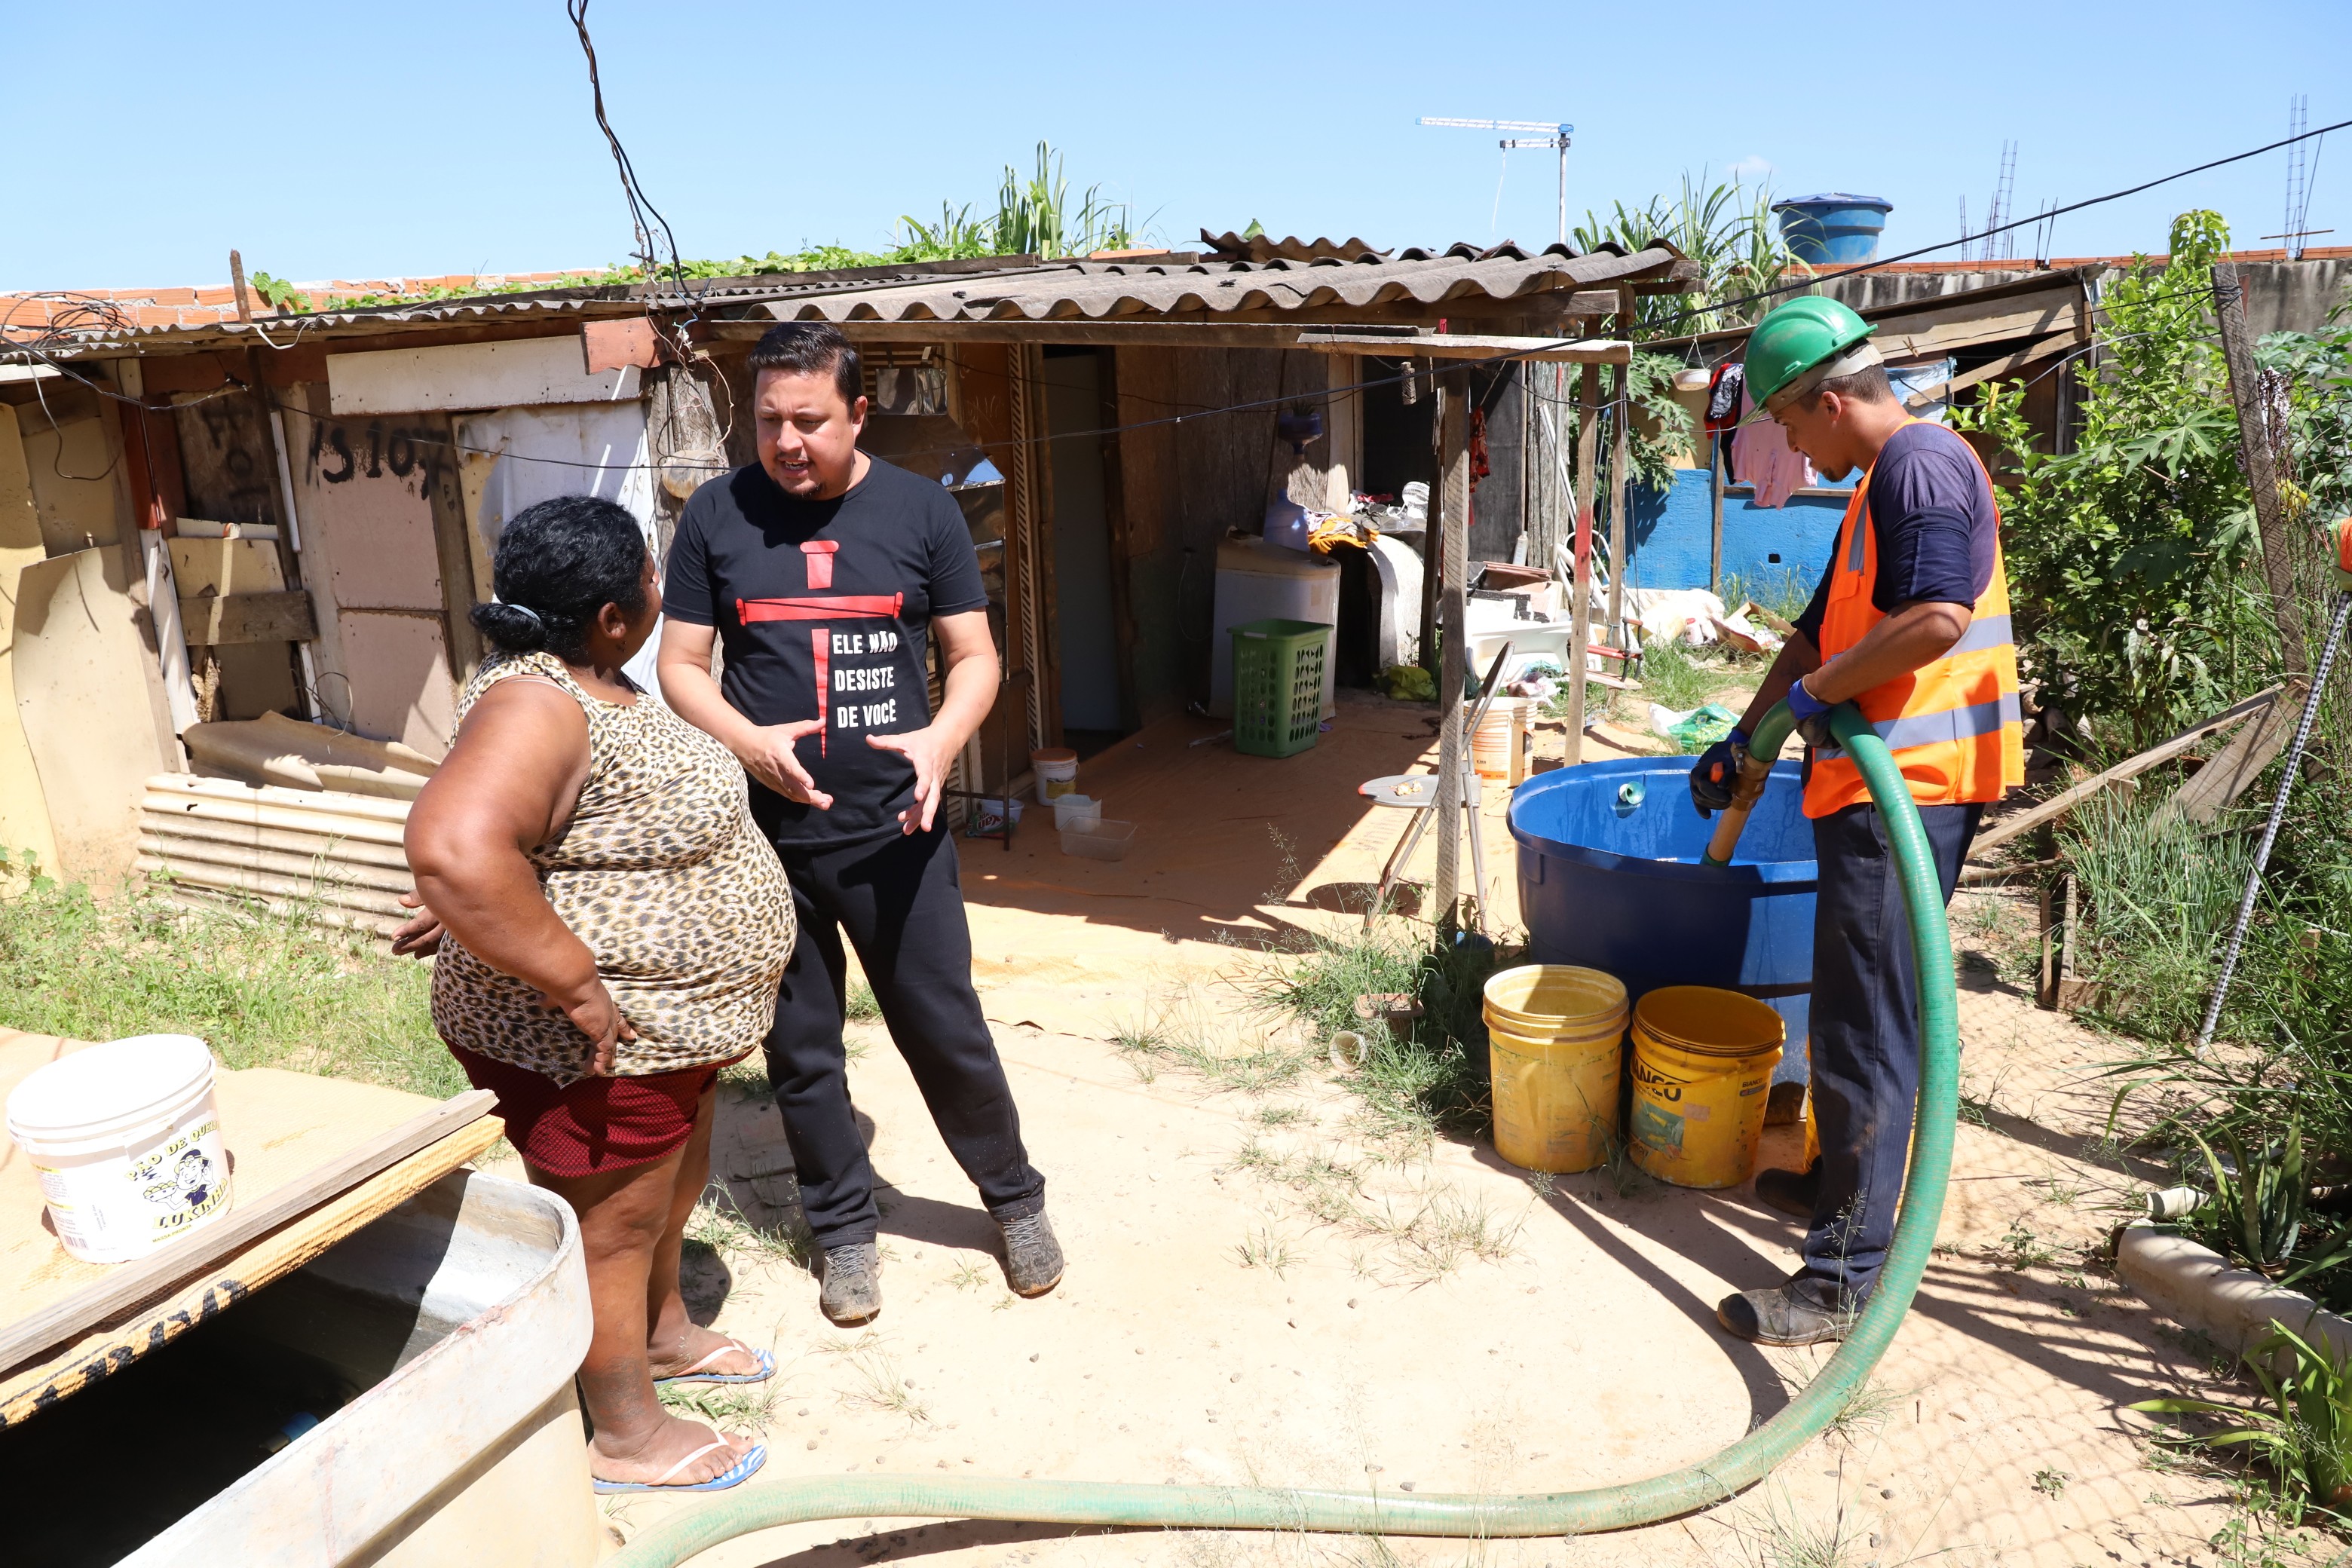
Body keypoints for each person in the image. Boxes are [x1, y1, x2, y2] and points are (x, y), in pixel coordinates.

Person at [657, 320, 1057, 1327]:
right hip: (767, 842)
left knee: (944, 1026)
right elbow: (678, 668)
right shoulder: (714, 515)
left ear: (857, 413)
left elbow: (974, 657)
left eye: (810, 422)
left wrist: (941, 743)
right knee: (801, 1047)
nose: (787, 442)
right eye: (769, 421)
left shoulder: (923, 511)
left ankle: (1014, 1199)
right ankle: (842, 1234)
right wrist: (749, 742)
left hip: (897, 832)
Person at [397, 495, 795, 1493]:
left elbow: (542, 823)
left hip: (669, 1034)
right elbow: (454, 844)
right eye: (651, 578)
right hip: (590, 1041)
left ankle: (660, 1336)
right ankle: (624, 1436)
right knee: (612, 1226)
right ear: (615, 613)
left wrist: (486, 897)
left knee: (674, 1181)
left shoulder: (589, 679)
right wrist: (572, 978)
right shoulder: (536, 701)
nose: (662, 589)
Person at [1689, 297, 2023, 1346]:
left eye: (1791, 425)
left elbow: (1935, 618)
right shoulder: (1882, 484)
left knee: (1865, 1022)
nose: (1789, 446)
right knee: (1858, 1001)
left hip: (1912, 788)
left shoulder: (1924, 465)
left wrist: (1823, 693)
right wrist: (1749, 739)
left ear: (1832, 402)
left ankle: (1845, 1275)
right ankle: (1850, 1184)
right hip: (1880, 789)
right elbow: (1810, 638)